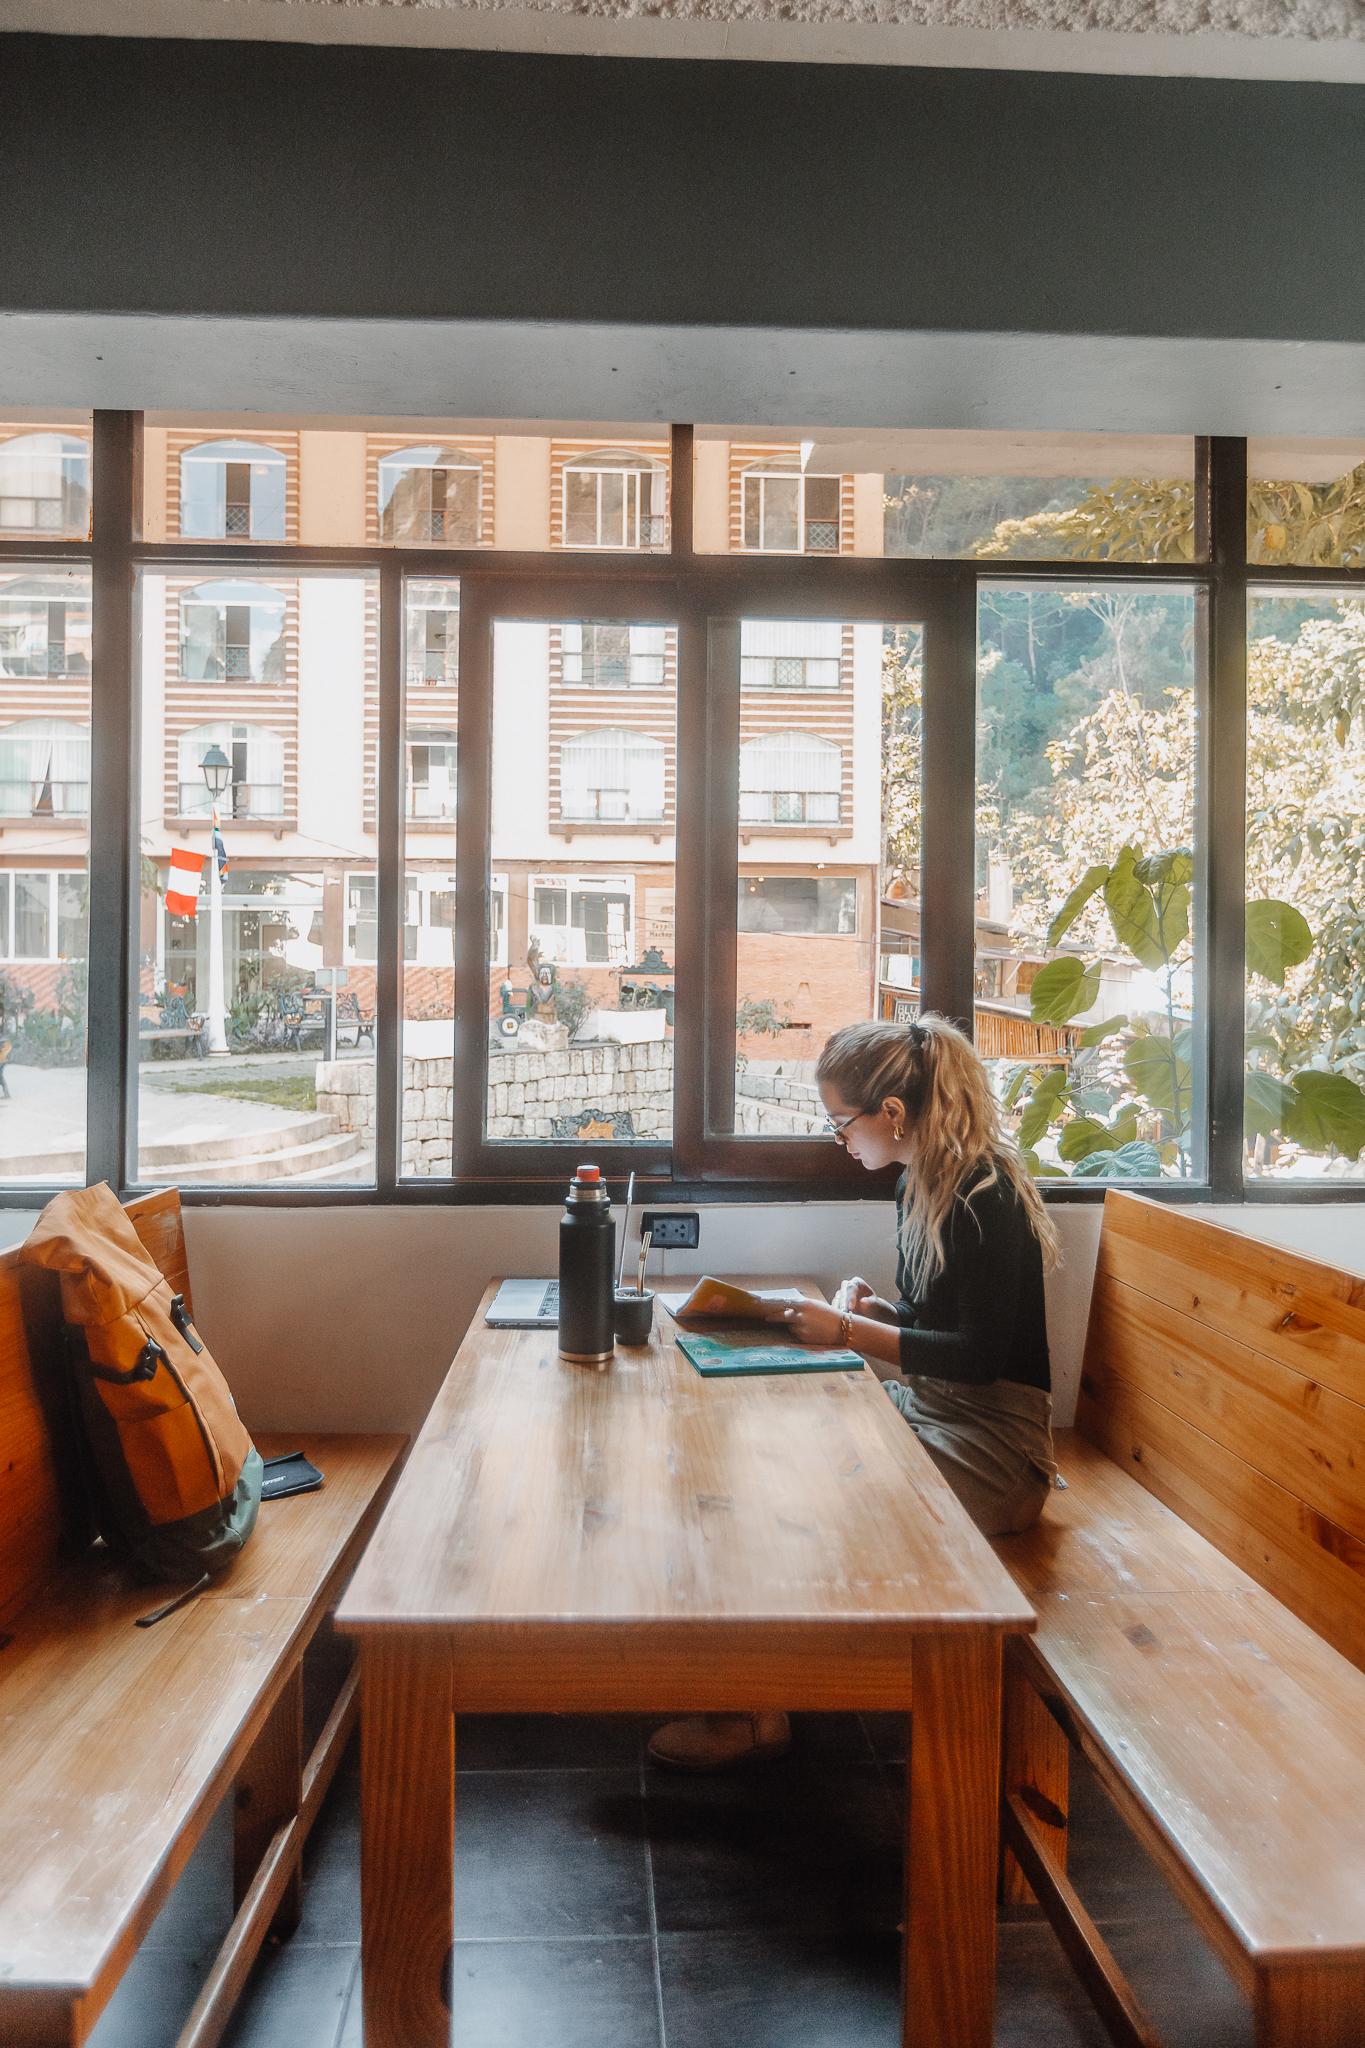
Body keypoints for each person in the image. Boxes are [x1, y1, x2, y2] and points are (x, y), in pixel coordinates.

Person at [647, 1013, 1060, 1773]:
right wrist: (879, 1313)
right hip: (937, 1411)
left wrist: (844, 1332)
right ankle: (753, 1697)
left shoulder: (986, 1195)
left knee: (801, 1502)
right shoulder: (920, 1184)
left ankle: (760, 1709)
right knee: (772, 1463)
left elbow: (979, 1357)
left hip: (996, 1453)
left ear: (893, 1115)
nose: (841, 1141)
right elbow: (944, 1327)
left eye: (843, 1122)